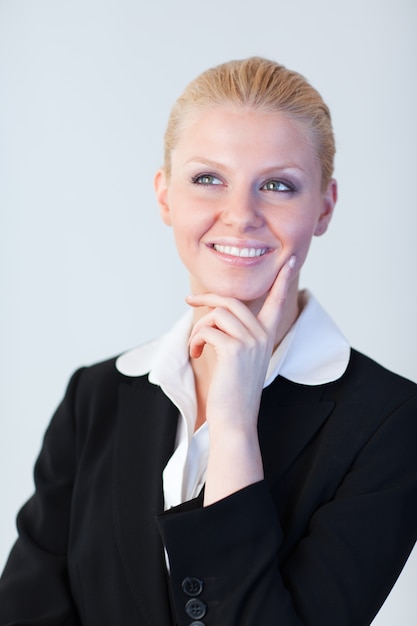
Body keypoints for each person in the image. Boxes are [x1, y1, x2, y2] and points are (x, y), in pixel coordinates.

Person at [0, 56, 416, 626]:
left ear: (323, 206)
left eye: (277, 185)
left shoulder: (392, 422)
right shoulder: (93, 397)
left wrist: (235, 428)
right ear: (165, 196)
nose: (239, 214)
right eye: (207, 179)